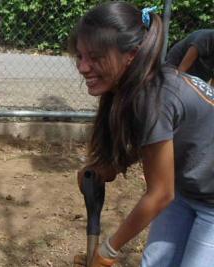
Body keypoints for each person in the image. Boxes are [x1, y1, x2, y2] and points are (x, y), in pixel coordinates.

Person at [69, 2, 214, 267]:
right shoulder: (130, 91)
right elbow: (152, 145)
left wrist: (108, 251)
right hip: (186, 190)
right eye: (80, 56)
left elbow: (160, 193)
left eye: (95, 56)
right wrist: (106, 167)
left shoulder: (155, 97)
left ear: (132, 55)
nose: (83, 67)